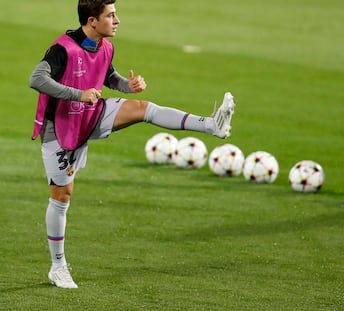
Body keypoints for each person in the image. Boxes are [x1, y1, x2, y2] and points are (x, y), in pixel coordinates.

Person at [29, 0, 235, 289]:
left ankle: (212, 124)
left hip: (92, 113)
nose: (117, 20)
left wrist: (128, 85)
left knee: (142, 107)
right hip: (61, 128)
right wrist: (77, 95)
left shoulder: (104, 46)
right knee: (62, 197)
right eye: (111, 15)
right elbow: (36, 78)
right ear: (91, 21)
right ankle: (58, 266)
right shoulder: (62, 49)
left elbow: (107, 75)